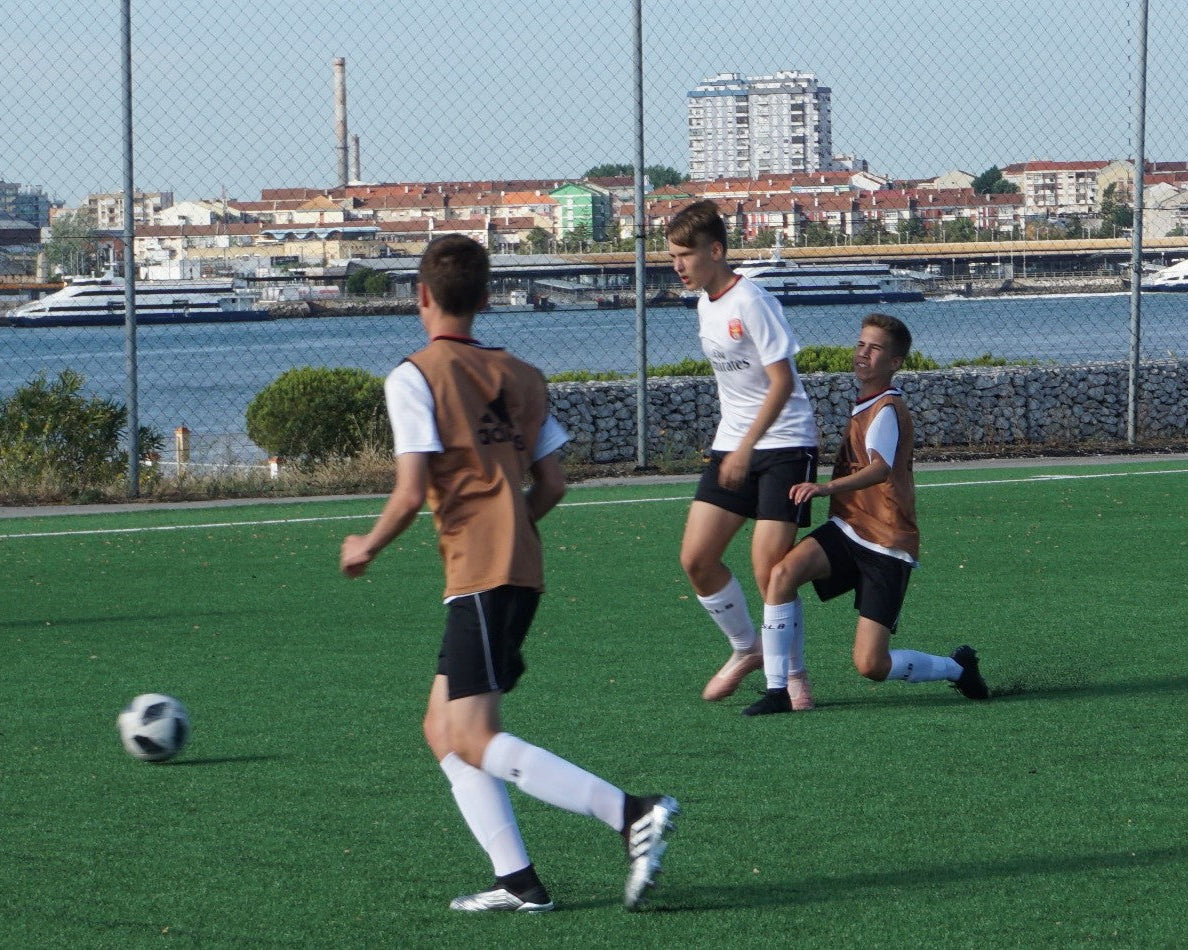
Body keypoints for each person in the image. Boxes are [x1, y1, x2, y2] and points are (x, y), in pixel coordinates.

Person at [340, 234, 678, 912]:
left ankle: (630, 812)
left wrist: (366, 546)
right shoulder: (522, 375)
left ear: (422, 296)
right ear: (487, 298)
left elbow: (410, 493)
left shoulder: (414, 376)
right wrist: (511, 526)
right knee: (443, 729)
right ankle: (518, 881)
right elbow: (551, 484)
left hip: (479, 568)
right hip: (515, 562)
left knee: (471, 734)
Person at [753, 312, 989, 712]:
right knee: (781, 574)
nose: (862, 353)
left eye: (874, 348)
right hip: (848, 529)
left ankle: (957, 668)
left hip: (886, 544)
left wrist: (824, 487)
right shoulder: (865, 404)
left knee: (871, 665)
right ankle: (778, 690)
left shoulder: (886, 409)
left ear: (894, 363)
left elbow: (879, 468)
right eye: (860, 344)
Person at [666, 200, 820, 716]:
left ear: (716, 250)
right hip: (734, 445)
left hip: (785, 445)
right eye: (672, 256)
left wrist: (748, 446)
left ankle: (793, 678)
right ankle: (747, 648)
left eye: (686, 255)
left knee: (768, 570)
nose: (678, 265)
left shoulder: (752, 300)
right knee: (696, 559)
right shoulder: (704, 305)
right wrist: (733, 447)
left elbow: (781, 383)